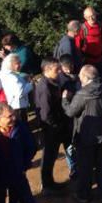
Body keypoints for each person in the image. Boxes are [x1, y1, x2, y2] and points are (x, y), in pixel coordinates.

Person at [62, 65, 102, 203]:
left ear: (86, 77)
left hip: (86, 135)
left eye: (80, 76)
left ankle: (84, 195)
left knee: (85, 166)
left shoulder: (82, 94)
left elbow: (70, 112)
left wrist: (65, 100)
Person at [34, 59, 69, 195]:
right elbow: (45, 114)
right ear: (47, 70)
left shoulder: (52, 83)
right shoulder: (45, 88)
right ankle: (47, 186)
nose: (60, 72)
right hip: (50, 129)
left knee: (51, 155)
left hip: (54, 127)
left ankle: (50, 182)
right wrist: (56, 126)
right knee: (48, 156)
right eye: (57, 70)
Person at [0, 54, 33, 124]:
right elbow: (20, 93)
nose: (20, 65)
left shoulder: (6, 75)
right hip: (18, 106)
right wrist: (30, 85)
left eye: (20, 63)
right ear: (10, 64)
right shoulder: (12, 77)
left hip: (12, 105)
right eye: (17, 63)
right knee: (22, 126)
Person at [76, 7, 102, 80]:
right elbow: (78, 46)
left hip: (101, 59)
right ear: (85, 17)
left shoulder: (101, 26)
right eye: (88, 17)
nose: (91, 18)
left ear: (96, 15)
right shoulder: (82, 29)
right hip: (88, 61)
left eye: (93, 15)